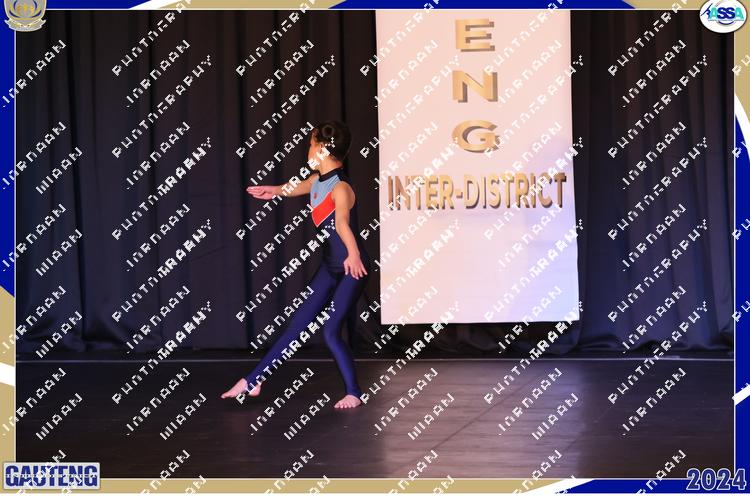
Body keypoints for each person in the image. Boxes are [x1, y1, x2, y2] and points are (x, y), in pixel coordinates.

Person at [221, 120, 371, 409]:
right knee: (296, 325)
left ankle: (354, 393)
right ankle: (253, 380)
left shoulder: (341, 188)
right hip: (330, 266)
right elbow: (292, 187)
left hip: (352, 267)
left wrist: (353, 254)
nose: (308, 149)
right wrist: (273, 190)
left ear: (322, 148)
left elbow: (342, 223)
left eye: (311, 144)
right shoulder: (317, 181)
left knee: (330, 331)